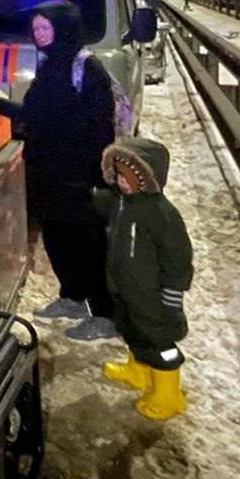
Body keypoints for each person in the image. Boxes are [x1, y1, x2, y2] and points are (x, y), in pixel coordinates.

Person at [0, 0, 118, 341]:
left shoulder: (88, 69)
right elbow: (34, 114)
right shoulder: (46, 67)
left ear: (64, 29)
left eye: (46, 28)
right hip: (46, 170)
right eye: (36, 28)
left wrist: (94, 174)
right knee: (56, 237)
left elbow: (100, 125)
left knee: (88, 242)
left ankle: (105, 314)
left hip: (79, 174)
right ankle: (72, 297)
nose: (39, 34)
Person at [93, 136, 194, 420]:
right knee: (132, 330)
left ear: (146, 179)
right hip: (126, 289)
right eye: (118, 175)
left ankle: (168, 393)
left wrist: (172, 296)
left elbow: (178, 259)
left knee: (159, 342)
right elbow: (104, 205)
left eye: (129, 177)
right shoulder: (123, 202)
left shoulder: (162, 214)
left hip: (153, 296)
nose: (122, 182)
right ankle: (139, 370)